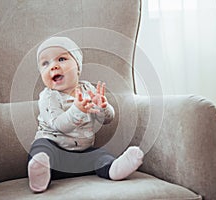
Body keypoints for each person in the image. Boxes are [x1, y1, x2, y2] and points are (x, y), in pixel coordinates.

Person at [28, 36, 144, 192]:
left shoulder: (88, 89)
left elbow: (107, 120)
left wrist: (103, 106)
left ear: (78, 67)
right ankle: (40, 173)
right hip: (55, 155)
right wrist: (78, 110)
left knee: (99, 154)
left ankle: (113, 169)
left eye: (61, 59)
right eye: (45, 63)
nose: (53, 66)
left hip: (81, 155)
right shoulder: (48, 97)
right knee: (40, 148)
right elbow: (58, 125)